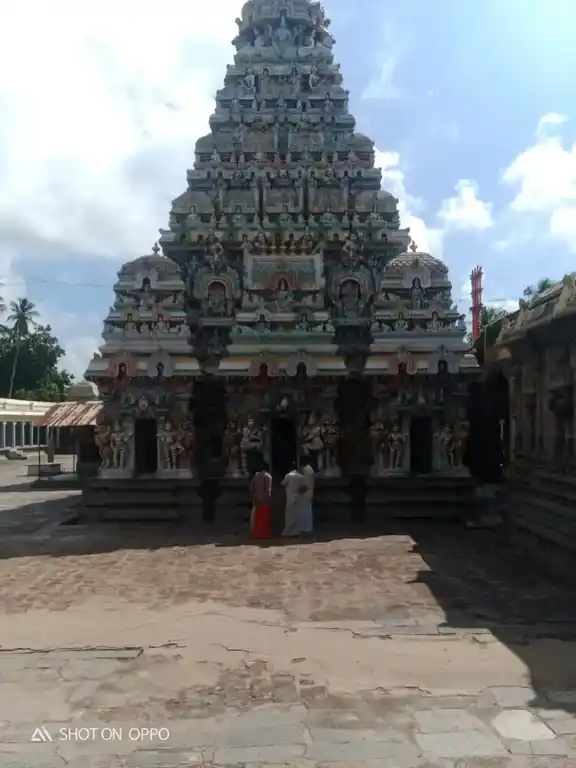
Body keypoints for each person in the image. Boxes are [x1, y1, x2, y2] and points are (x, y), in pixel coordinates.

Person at [281, 461, 307, 537]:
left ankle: (287, 531)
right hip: (298, 496)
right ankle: (296, 531)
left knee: (289, 514)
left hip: (290, 496)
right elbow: (304, 487)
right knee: (297, 514)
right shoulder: (301, 476)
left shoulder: (288, 476)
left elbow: (283, 484)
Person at [250, 460, 272, 539]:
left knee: (258, 518)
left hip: (257, 499)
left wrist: (254, 497)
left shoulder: (256, 476)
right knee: (265, 517)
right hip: (265, 500)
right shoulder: (268, 477)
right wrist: (268, 498)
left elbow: (251, 488)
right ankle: (265, 534)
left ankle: (257, 533)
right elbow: (268, 490)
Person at [298, 454, 315, 535]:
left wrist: (299, 491)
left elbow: (306, 483)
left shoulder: (307, 470)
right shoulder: (309, 469)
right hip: (308, 492)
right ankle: (306, 528)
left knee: (305, 512)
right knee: (307, 511)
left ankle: (306, 528)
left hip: (305, 493)